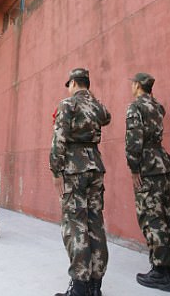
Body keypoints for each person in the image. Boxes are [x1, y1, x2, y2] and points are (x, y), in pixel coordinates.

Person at [50, 68, 112, 296]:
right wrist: (89, 96)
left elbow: (59, 139)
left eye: (69, 84)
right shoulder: (96, 106)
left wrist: (56, 171)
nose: (68, 88)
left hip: (74, 168)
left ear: (74, 83)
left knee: (75, 224)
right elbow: (107, 116)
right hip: (95, 167)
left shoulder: (68, 104)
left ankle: (79, 288)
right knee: (95, 223)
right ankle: (96, 286)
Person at [125, 72, 170, 292]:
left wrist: (133, 168)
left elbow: (134, 140)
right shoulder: (158, 107)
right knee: (167, 217)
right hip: (163, 164)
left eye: (133, 84)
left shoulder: (135, 107)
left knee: (151, 218)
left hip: (147, 167)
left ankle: (160, 272)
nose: (131, 87)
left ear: (138, 85)